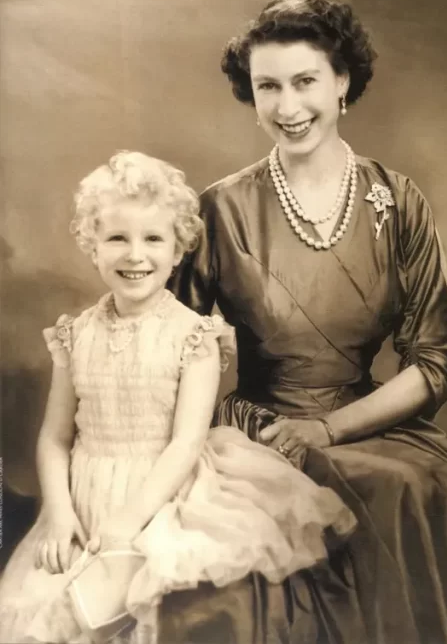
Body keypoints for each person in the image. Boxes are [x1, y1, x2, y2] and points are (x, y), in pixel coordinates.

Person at [163, 0, 447, 643]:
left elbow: (434, 364)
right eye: (269, 86)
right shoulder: (220, 211)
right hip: (258, 432)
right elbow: (168, 345)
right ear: (251, 92)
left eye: (305, 82)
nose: (288, 108)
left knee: (435, 498)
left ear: (343, 79)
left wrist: (328, 428)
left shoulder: (397, 199)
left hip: (363, 421)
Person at [0, 151, 354, 643]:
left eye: (153, 239)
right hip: (84, 497)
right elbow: (55, 437)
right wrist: (60, 514)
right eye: (117, 238)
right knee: (58, 617)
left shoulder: (195, 337)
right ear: (92, 245)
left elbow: (186, 443)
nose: (134, 255)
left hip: (165, 494)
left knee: (160, 616)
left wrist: (130, 521)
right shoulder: (75, 335)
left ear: (177, 248)